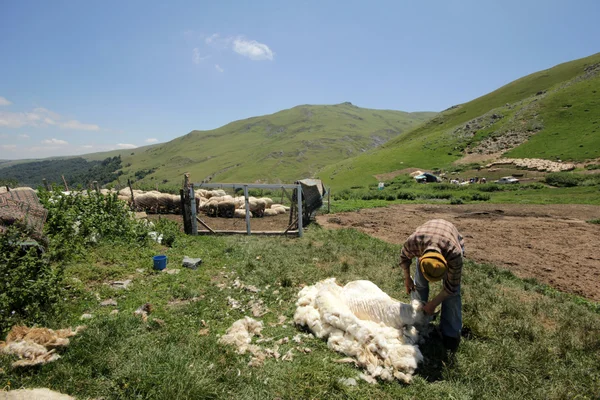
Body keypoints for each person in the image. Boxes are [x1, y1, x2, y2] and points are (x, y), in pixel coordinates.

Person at [399, 219, 465, 351]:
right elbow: (404, 258)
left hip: (449, 239)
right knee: (420, 285)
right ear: (421, 258)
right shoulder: (414, 243)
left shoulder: (455, 256)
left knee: (452, 295)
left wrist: (434, 303)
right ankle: (417, 322)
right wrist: (407, 279)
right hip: (427, 240)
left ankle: (450, 334)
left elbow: (451, 287)